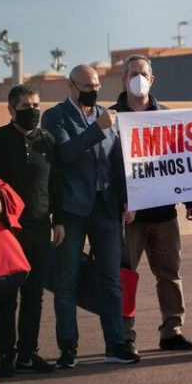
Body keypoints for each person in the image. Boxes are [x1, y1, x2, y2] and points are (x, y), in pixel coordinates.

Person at [41, 64, 139, 367]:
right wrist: (98, 129)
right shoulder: (55, 116)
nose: (92, 91)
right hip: (72, 211)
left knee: (110, 279)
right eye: (86, 86)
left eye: (96, 85)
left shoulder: (106, 115)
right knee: (67, 280)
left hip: (107, 208)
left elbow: (117, 162)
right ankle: (68, 348)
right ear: (71, 87)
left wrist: (127, 199)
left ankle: (115, 344)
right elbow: (65, 153)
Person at [111, 54, 192, 353]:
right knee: (125, 276)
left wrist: (191, 200)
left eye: (143, 73)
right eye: (132, 73)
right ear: (124, 80)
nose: (138, 78)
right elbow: (106, 168)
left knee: (170, 274)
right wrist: (122, 200)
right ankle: (124, 336)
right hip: (129, 216)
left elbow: (182, 162)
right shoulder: (111, 119)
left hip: (163, 213)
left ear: (152, 79)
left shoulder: (168, 117)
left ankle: (172, 331)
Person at [0, 85, 66, 377]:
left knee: (35, 294)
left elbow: (55, 185)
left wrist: (58, 220)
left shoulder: (47, 140)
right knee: (7, 295)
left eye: (36, 105)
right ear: (11, 110)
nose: (32, 111)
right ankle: (6, 355)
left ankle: (27, 353)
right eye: (25, 106)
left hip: (39, 227)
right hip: (8, 231)